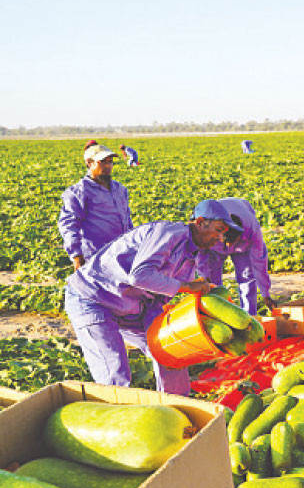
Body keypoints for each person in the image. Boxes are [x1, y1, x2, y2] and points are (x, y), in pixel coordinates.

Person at [64, 199, 241, 395]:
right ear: (199, 222)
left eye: (224, 232)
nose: (220, 236)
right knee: (115, 374)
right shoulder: (168, 234)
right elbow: (139, 276)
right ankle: (120, 418)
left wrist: (168, 336)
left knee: (172, 353)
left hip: (134, 307)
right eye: (219, 228)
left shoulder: (192, 256)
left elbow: (159, 299)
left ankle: (178, 410)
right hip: (93, 298)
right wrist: (187, 286)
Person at [58, 143, 134, 271]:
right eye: (103, 162)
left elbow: (127, 220)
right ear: (89, 163)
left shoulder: (120, 189)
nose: (108, 166)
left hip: (122, 254)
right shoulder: (79, 192)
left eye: (110, 162)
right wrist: (76, 255)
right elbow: (69, 224)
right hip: (94, 256)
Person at [197, 197, 277, 314]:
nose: (229, 247)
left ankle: (249, 316)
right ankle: (219, 315)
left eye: (233, 241)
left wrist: (266, 293)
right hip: (214, 250)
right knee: (213, 285)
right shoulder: (209, 230)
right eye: (226, 242)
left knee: (247, 277)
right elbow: (200, 255)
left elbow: (259, 261)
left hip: (243, 247)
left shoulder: (252, 229)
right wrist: (204, 277)